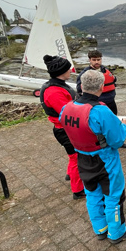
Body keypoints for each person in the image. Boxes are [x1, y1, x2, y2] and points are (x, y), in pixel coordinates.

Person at [59, 69, 126, 243]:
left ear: (81, 86)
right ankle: (117, 232)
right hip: (104, 159)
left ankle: (100, 228)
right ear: (102, 87)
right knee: (113, 195)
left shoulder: (67, 108)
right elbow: (117, 140)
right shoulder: (100, 111)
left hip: (82, 157)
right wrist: (123, 125)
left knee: (92, 193)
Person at [39, 54, 85, 200]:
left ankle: (69, 175)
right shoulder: (53, 91)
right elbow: (68, 113)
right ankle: (78, 190)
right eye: (68, 69)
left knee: (73, 156)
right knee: (76, 158)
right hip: (64, 130)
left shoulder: (57, 85)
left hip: (66, 128)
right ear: (60, 71)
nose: (71, 71)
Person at [76, 50, 126, 148]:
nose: (97, 62)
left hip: (111, 101)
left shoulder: (105, 70)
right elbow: (80, 88)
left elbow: (113, 79)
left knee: (115, 121)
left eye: (98, 59)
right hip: (97, 104)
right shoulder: (85, 74)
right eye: (94, 60)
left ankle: (118, 141)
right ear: (90, 60)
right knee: (101, 126)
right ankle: (103, 144)